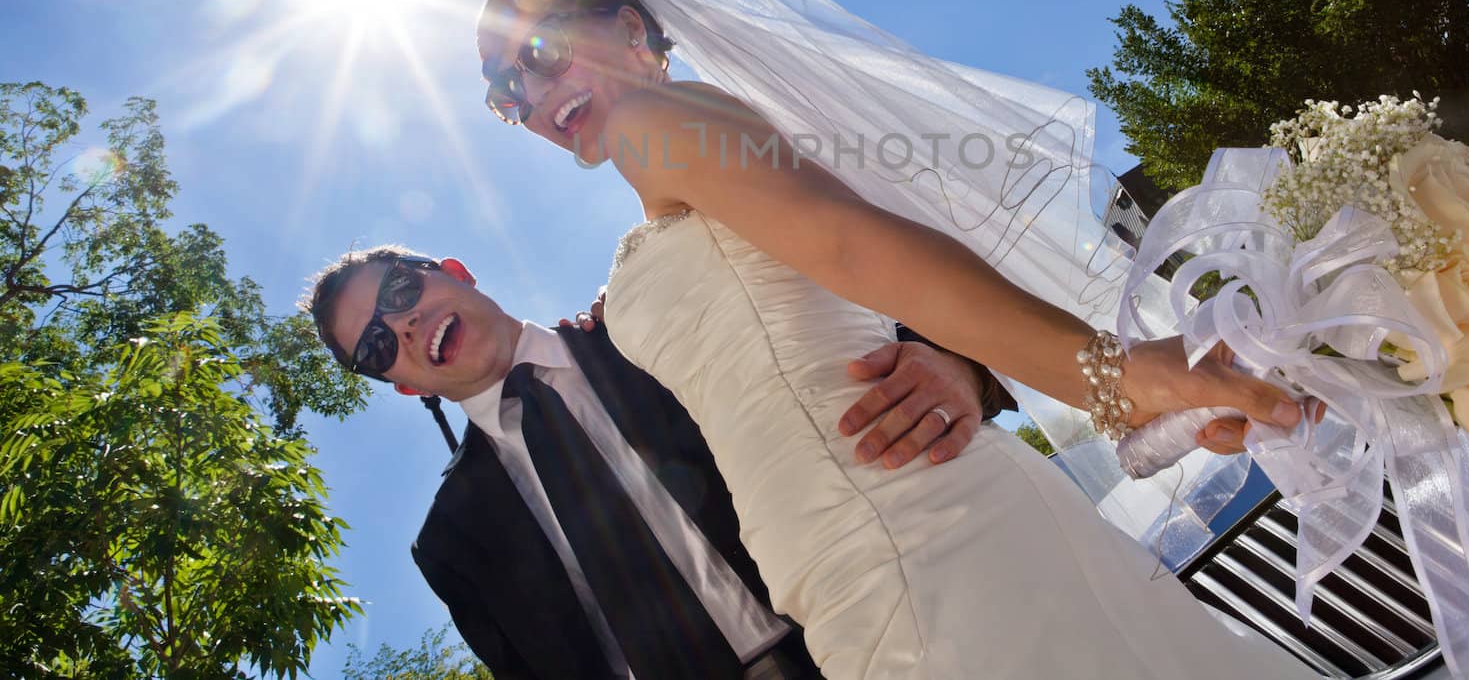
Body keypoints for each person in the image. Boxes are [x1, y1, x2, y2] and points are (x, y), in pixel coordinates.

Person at [473, 0, 1322, 678]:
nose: (536, 97)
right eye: (507, 92)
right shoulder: (673, 164)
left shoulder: (651, 121)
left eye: (540, 53)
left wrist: (1121, 378)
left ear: (627, 27)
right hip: (850, 552)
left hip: (911, 533)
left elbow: (850, 243)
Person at [301, 245, 1013, 679]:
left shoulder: (645, 332)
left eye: (401, 292)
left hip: (879, 638)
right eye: (377, 345)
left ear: (453, 271)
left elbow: (822, 299)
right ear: (400, 383)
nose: (404, 324)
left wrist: (955, 358)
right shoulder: (450, 543)